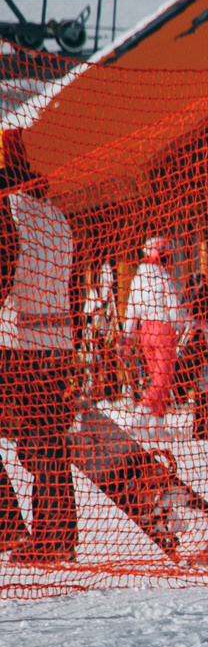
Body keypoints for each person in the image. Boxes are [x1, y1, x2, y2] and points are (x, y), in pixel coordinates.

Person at [0, 131, 78, 563]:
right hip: (55, 341)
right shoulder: (56, 217)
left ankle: (8, 524)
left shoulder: (7, 210)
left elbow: (3, 267)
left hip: (13, 342)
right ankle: (56, 535)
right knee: (46, 442)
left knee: (38, 441)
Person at [128, 235, 189, 418]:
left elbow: (131, 309)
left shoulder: (137, 278)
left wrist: (127, 335)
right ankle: (143, 410)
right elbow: (173, 307)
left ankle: (157, 423)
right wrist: (181, 327)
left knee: (157, 378)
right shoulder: (164, 278)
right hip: (163, 330)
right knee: (163, 379)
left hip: (144, 331)